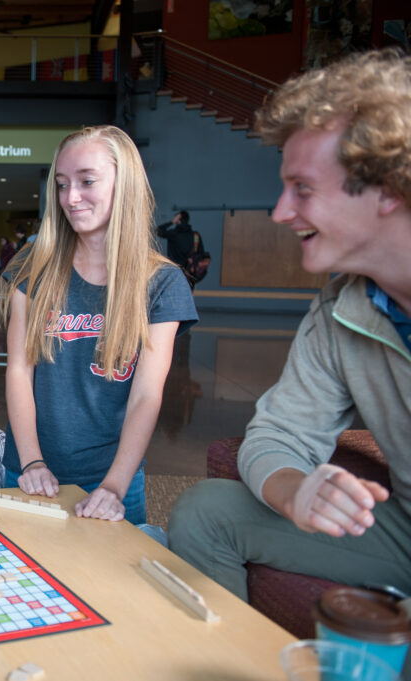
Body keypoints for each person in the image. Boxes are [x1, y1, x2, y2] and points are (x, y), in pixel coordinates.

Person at [168, 49, 411, 603]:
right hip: (401, 533)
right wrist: (296, 491)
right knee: (206, 511)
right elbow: (279, 436)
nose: (280, 212)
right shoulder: (339, 311)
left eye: (302, 188)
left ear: (391, 187)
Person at [0, 125, 197, 529]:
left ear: (123, 184)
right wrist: (32, 460)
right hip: (29, 468)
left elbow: (146, 395)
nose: (70, 198)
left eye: (87, 181)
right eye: (61, 184)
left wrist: (114, 486)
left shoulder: (161, 283)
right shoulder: (31, 266)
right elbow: (20, 369)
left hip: (112, 478)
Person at [156, 211, 202, 281]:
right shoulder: (195, 236)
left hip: (174, 270)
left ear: (178, 219)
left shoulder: (173, 234)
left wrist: (171, 222)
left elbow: (158, 231)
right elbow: (200, 253)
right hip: (189, 272)